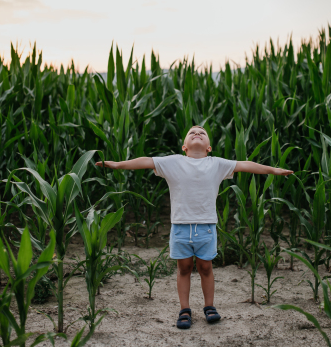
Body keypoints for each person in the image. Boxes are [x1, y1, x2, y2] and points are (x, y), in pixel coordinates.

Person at [95, 125, 293, 329]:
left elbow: (245, 164)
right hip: (180, 227)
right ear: (184, 146)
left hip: (206, 227)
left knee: (206, 267)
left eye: (202, 133)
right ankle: (185, 310)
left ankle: (209, 307)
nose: (197, 133)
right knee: (184, 268)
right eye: (192, 132)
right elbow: (145, 161)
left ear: (209, 147)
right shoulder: (173, 162)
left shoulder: (217, 164)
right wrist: (117, 165)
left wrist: (273, 171)